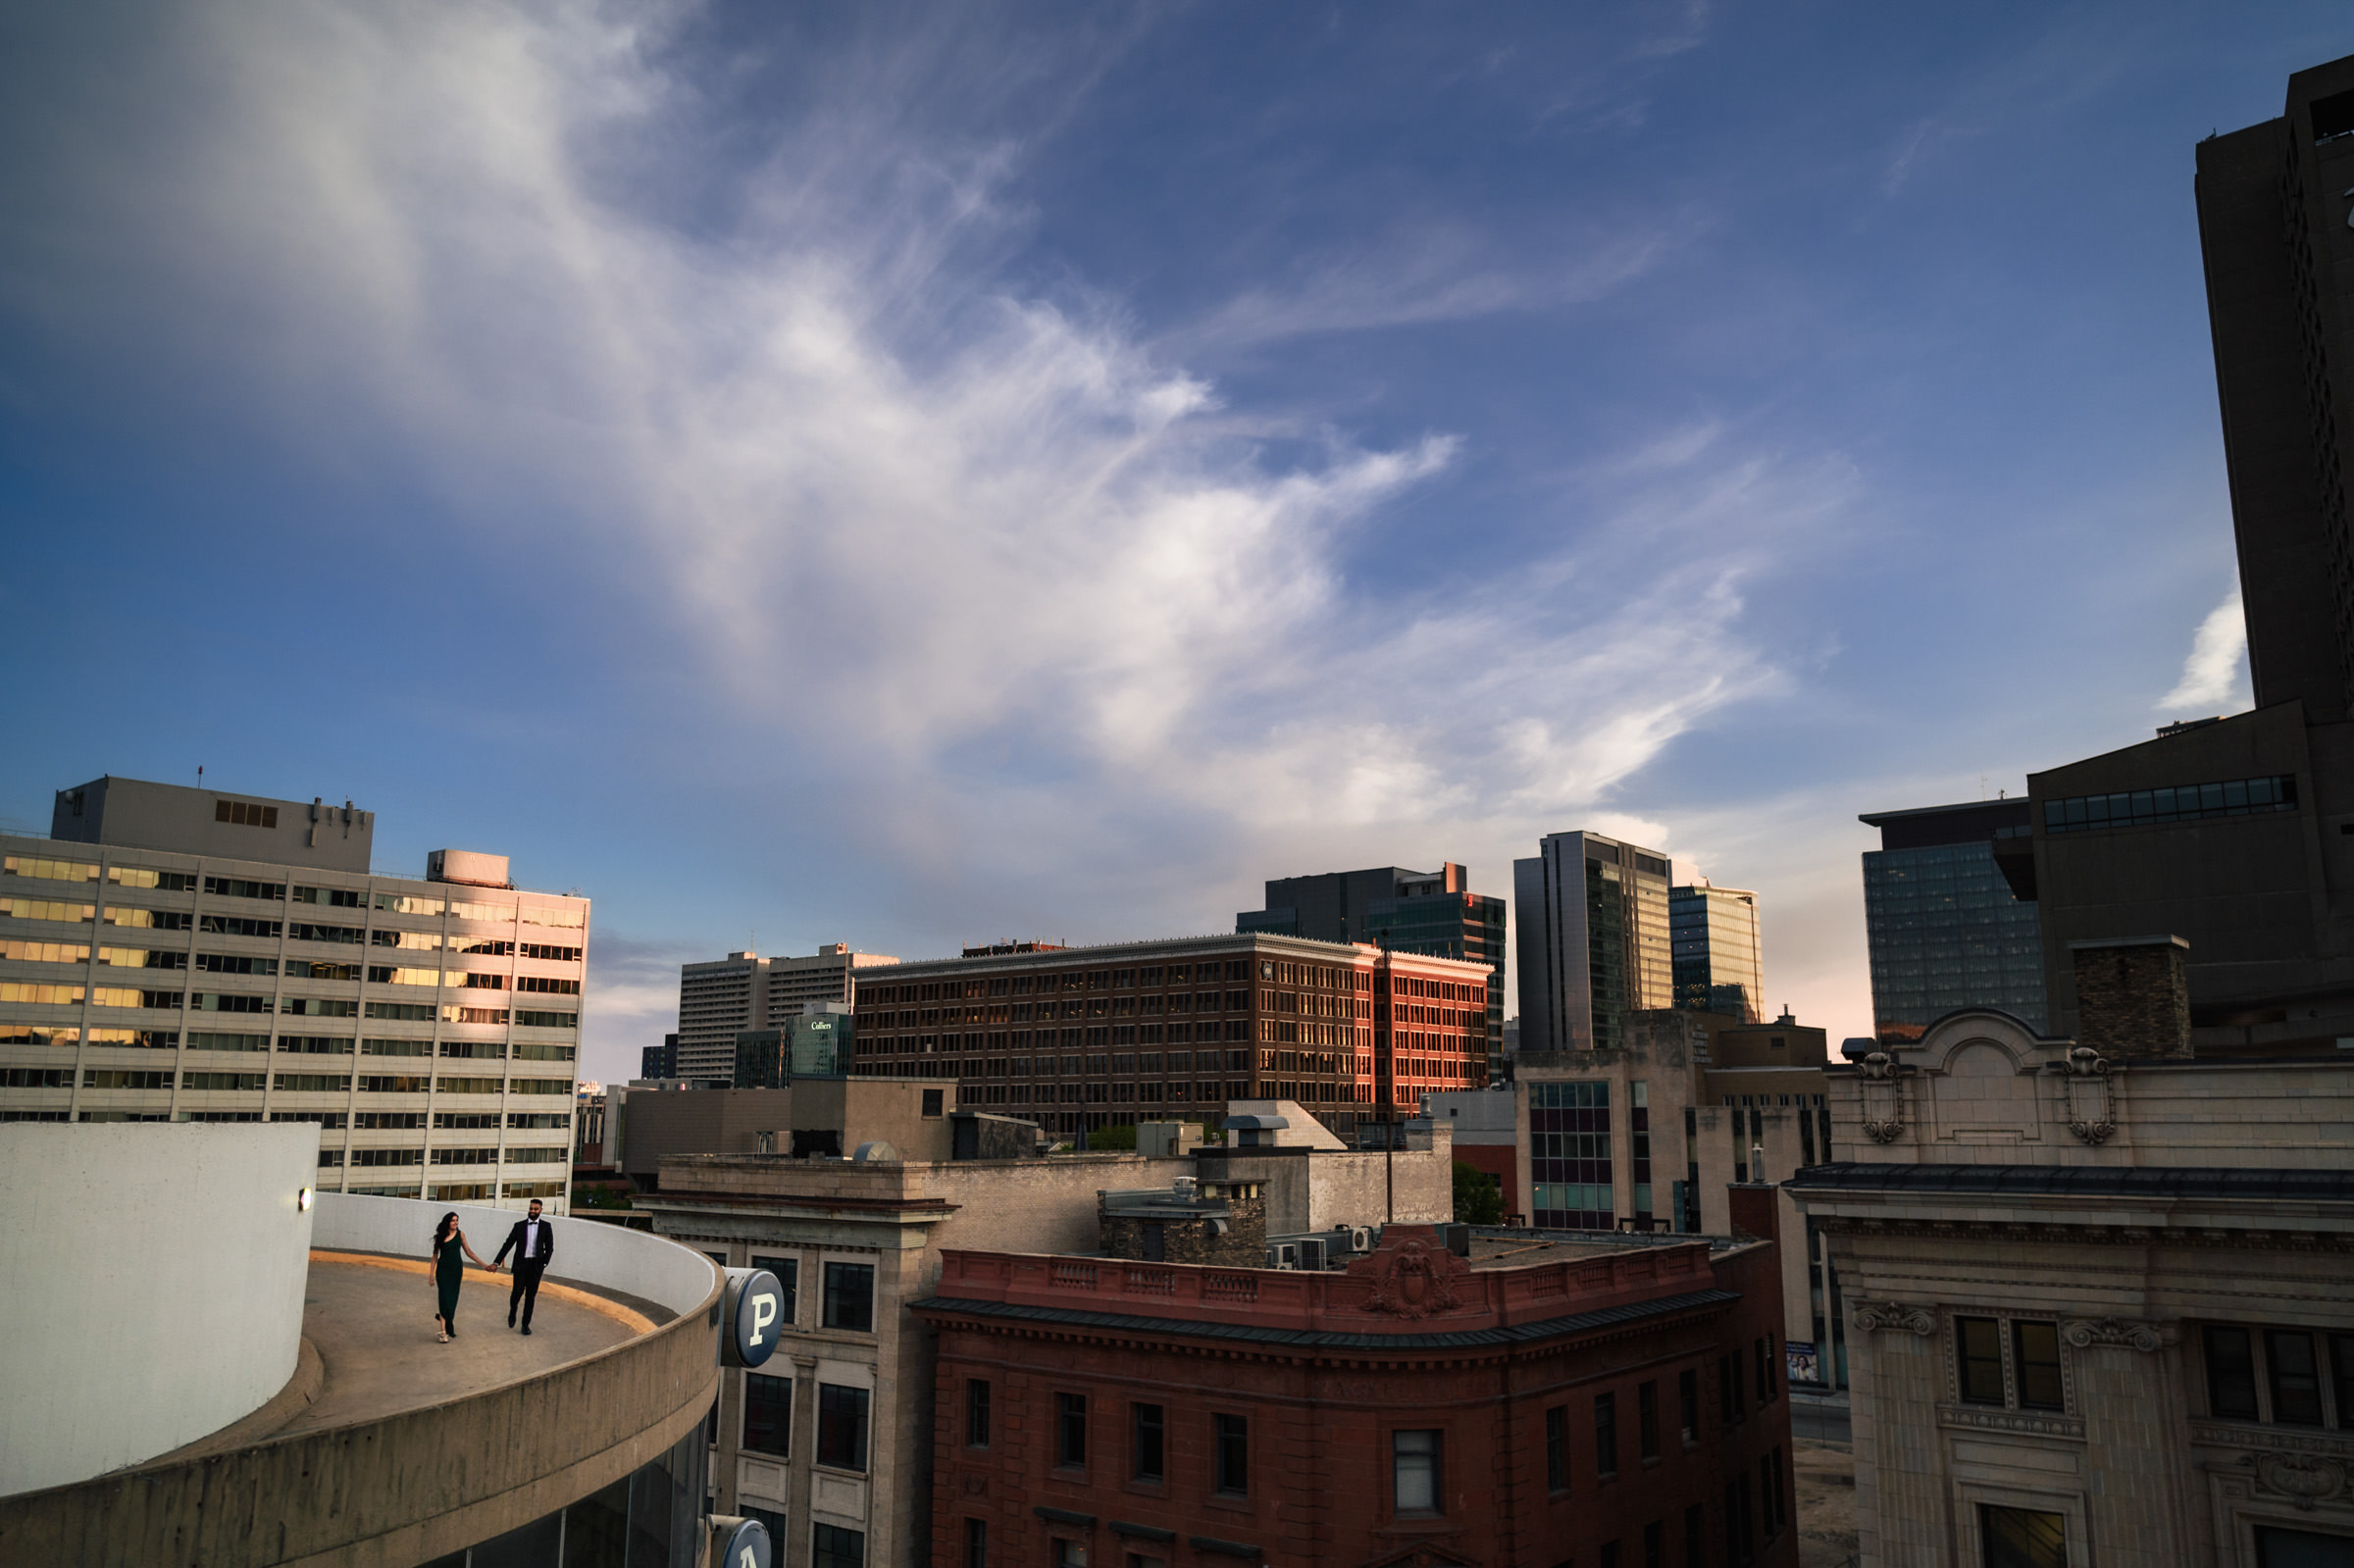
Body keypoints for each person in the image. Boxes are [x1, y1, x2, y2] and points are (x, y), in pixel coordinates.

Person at [492, 1197, 556, 1336]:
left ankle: (525, 1325)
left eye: (535, 1209)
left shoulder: (546, 1226)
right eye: (531, 1208)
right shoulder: (519, 1226)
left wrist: (544, 1263)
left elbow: (550, 1248)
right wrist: (496, 1262)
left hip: (536, 1266)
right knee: (517, 1292)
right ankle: (513, 1309)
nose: (532, 1211)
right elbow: (508, 1244)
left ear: (540, 1210)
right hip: (521, 1265)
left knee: (530, 1297)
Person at [430, 1211, 487, 1343]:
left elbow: (469, 1252)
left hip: (456, 1271)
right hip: (443, 1271)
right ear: (447, 1222)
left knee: (452, 1300)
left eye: (457, 1220)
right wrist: (430, 1275)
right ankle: (443, 1332)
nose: (456, 1222)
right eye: (453, 1220)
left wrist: (484, 1265)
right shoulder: (440, 1237)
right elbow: (434, 1257)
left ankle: (445, 1320)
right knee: (443, 1298)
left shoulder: (461, 1234)